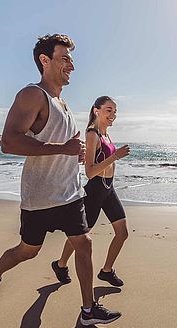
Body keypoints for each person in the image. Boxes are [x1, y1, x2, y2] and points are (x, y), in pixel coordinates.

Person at [0, 34, 121, 326]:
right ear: (45, 60)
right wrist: (64, 149)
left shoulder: (64, 104)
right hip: (40, 196)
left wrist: (76, 154)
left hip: (69, 192)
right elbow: (9, 142)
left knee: (84, 243)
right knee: (28, 251)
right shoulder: (32, 95)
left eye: (71, 59)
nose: (71, 65)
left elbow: (61, 146)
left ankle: (88, 310)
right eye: (65, 58)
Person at [52, 96, 130, 287]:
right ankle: (61, 265)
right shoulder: (92, 134)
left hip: (108, 188)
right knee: (80, 236)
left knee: (122, 233)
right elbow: (90, 171)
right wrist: (115, 156)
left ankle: (106, 271)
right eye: (109, 110)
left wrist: (113, 160)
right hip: (95, 190)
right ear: (97, 110)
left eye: (115, 111)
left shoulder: (105, 133)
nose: (113, 114)